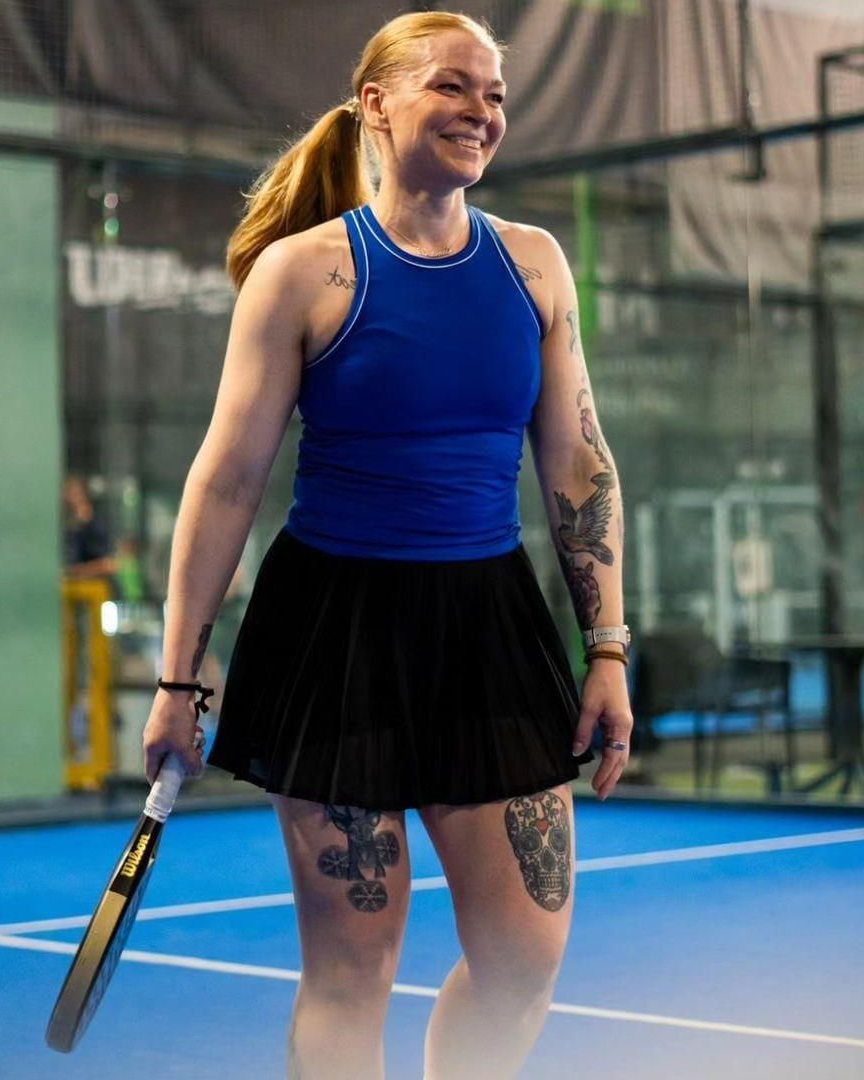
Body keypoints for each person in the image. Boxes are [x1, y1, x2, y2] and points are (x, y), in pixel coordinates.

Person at [143, 11, 633, 1079]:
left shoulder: (535, 266)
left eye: (494, 94)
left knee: (524, 959)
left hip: (490, 627)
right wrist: (179, 676)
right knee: (352, 968)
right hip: (335, 634)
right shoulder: (302, 272)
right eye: (452, 86)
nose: (480, 112)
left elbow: (578, 467)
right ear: (376, 102)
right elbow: (227, 482)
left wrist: (607, 648)